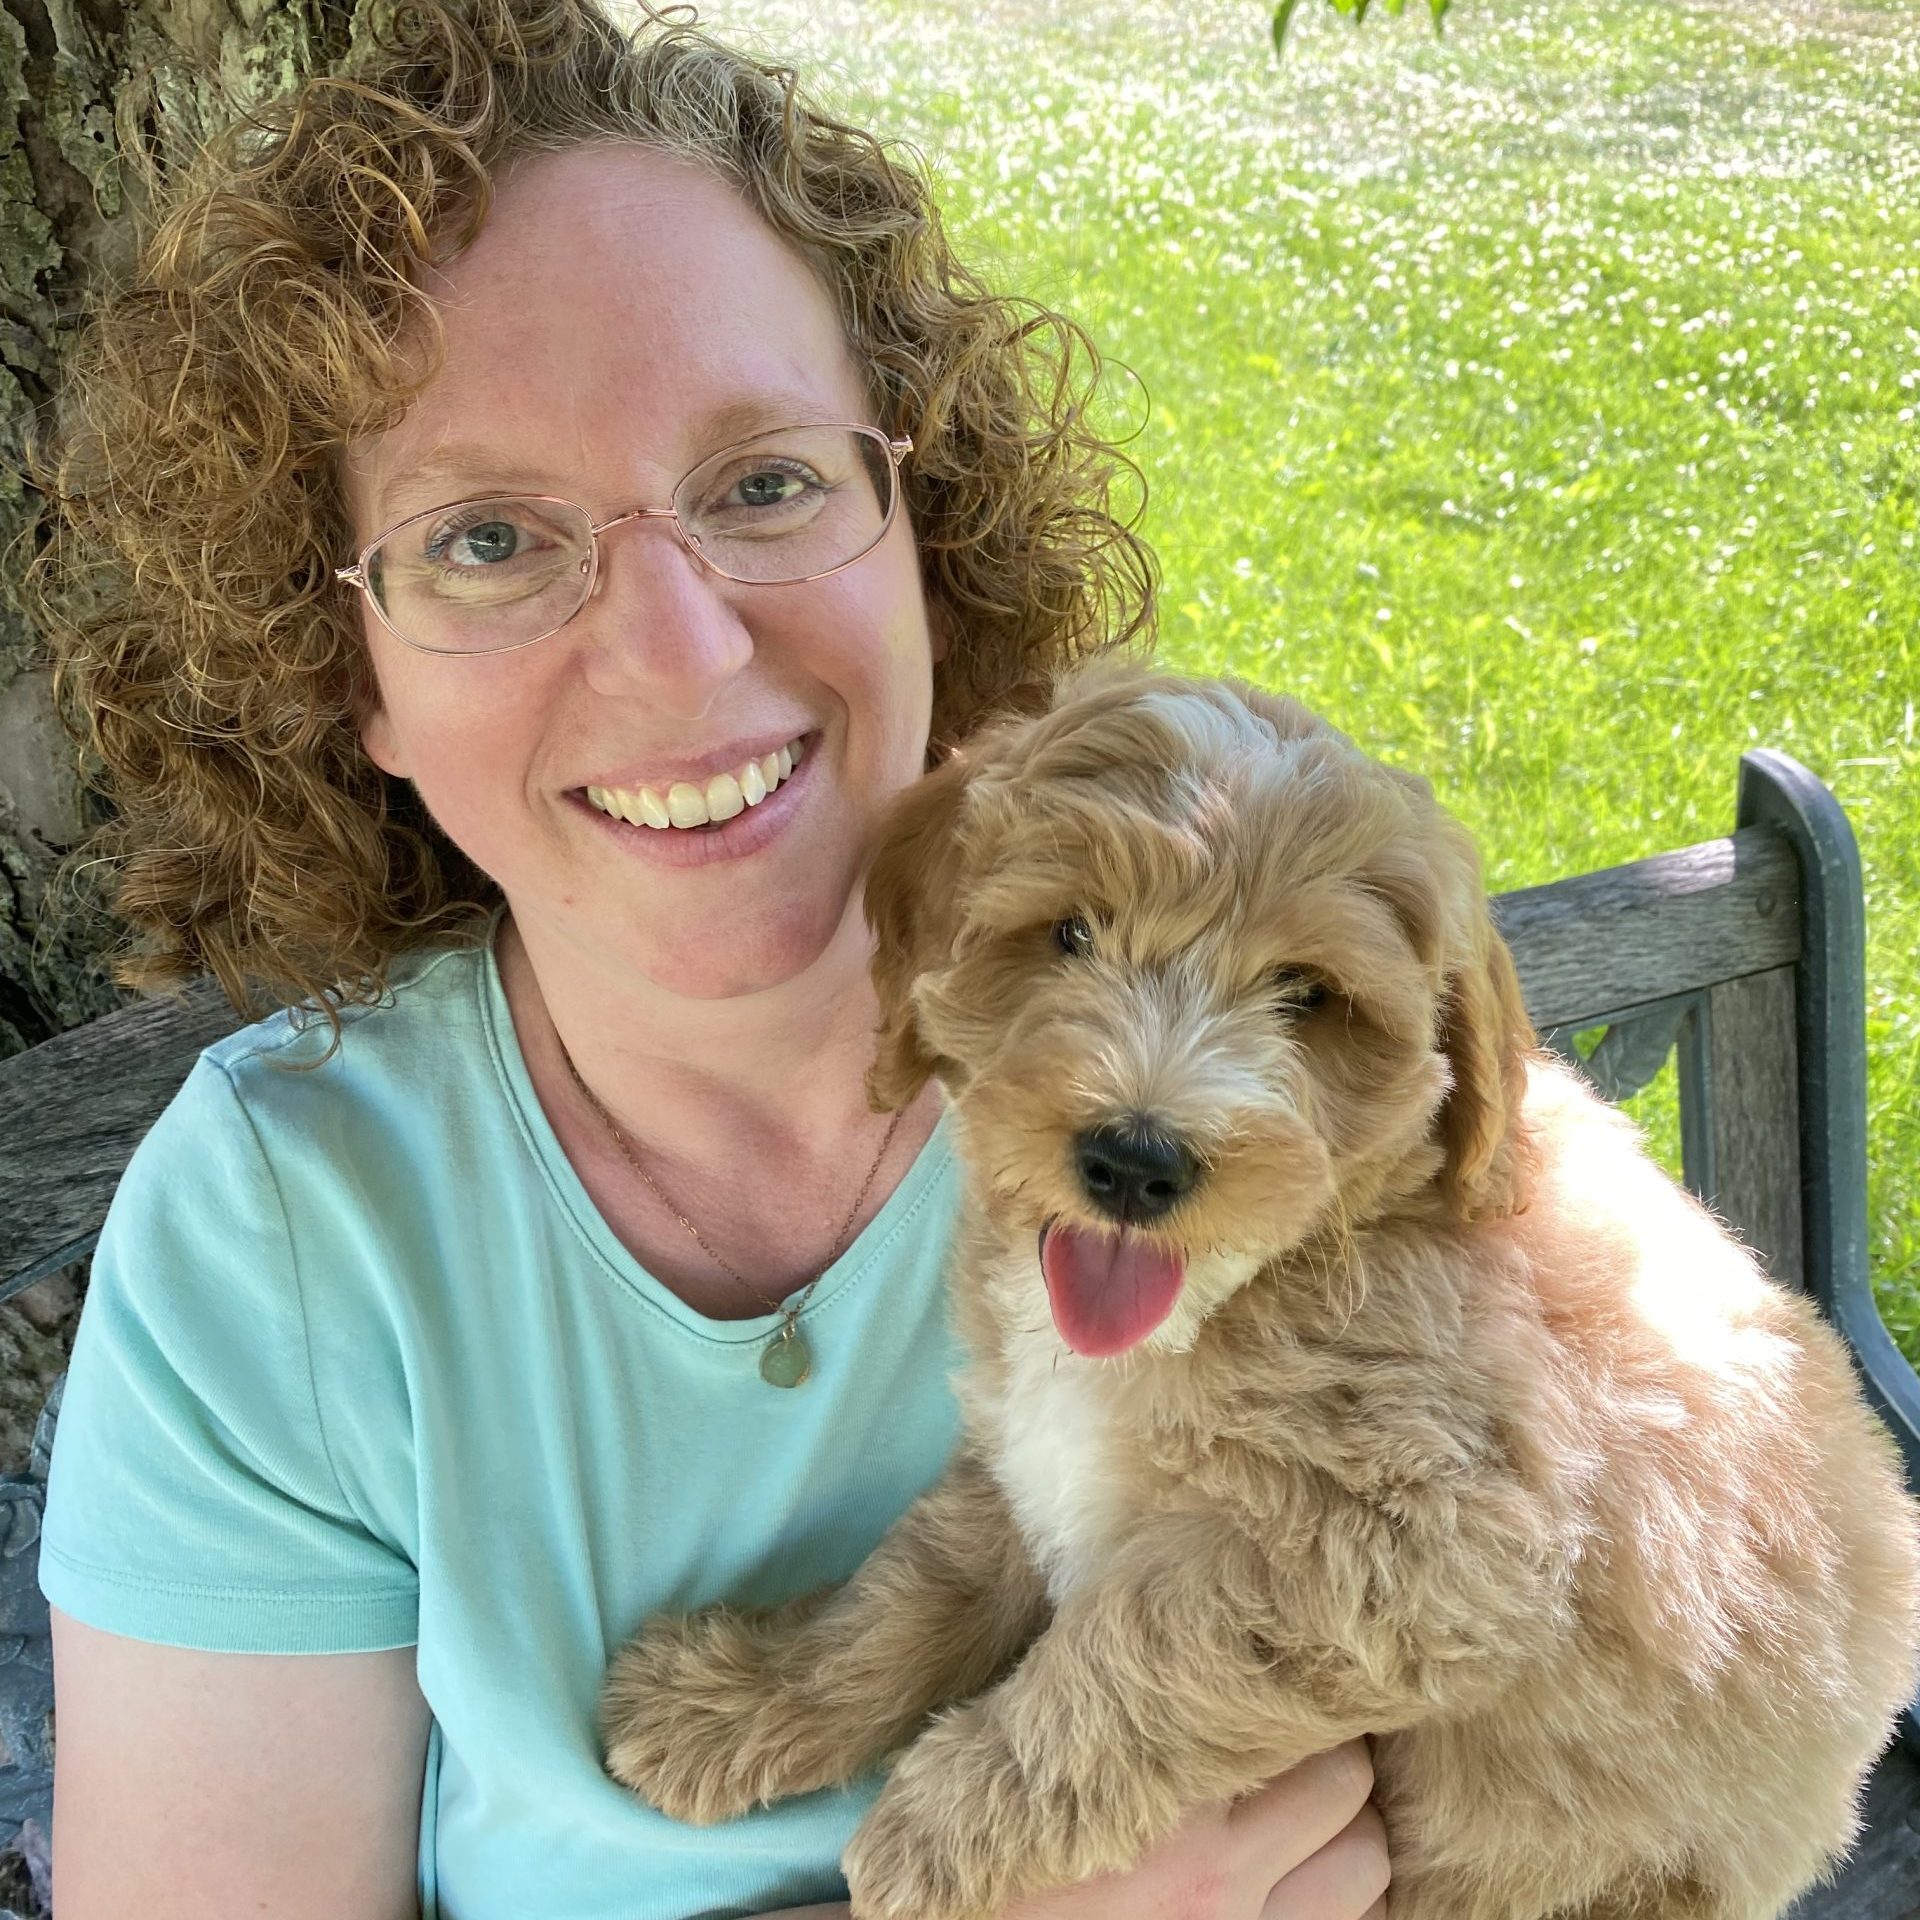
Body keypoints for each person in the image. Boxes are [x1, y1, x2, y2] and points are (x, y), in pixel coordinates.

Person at [34, 4, 1392, 1916]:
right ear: (351, 680)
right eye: (486, 539)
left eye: (765, 482)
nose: (678, 655)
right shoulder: (291, 1233)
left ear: (921, 525)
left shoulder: (1277, 1064)